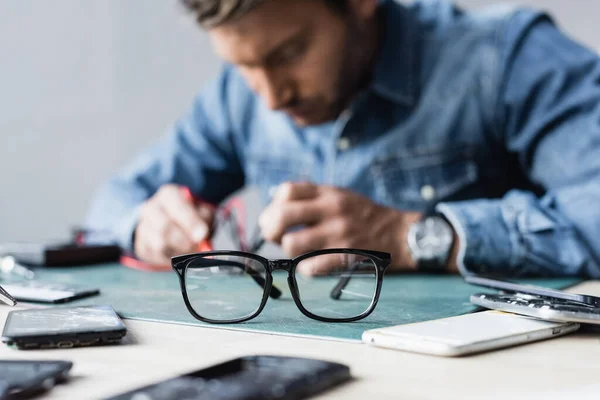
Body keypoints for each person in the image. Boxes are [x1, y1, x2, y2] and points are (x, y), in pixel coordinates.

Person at [86, 0, 600, 278]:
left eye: (290, 52)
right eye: (243, 66)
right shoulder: (236, 98)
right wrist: (145, 225)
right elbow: (113, 202)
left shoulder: (509, 59)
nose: (270, 97)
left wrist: (408, 238)